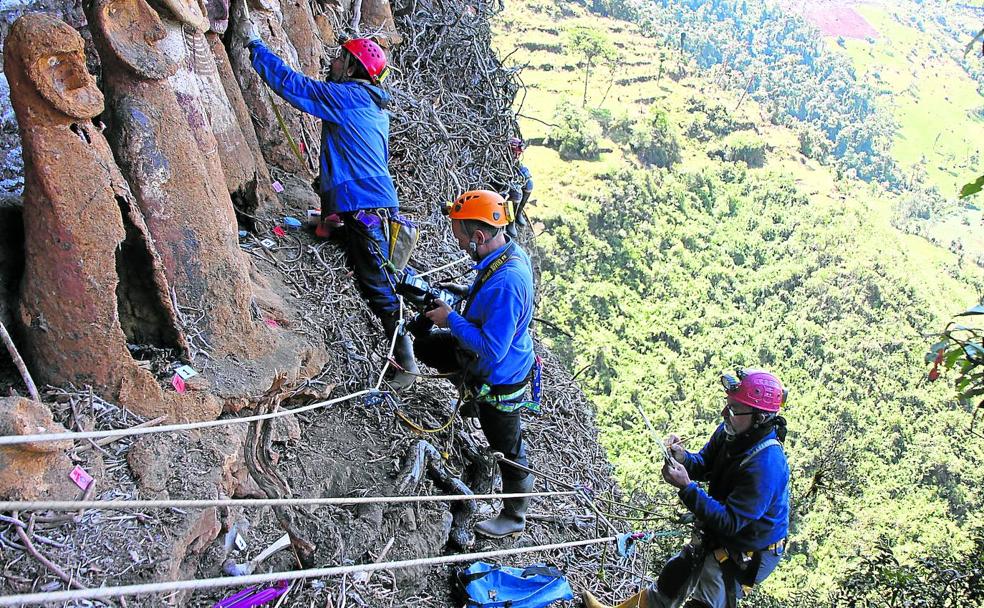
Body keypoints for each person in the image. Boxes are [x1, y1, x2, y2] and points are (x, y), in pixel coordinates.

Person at [245, 30, 418, 389]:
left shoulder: (348, 97)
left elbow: (296, 87)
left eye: (341, 58)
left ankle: (406, 361)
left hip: (365, 207)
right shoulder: (372, 105)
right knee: (371, 264)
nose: (333, 62)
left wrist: (256, 48)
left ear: (354, 67)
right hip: (371, 204)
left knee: (377, 285)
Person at [583, 369, 790, 608]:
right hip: (722, 531)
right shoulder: (731, 432)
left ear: (760, 418)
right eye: (727, 404)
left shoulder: (767, 466)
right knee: (673, 578)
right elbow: (703, 464)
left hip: (746, 549)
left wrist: (687, 487)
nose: (725, 413)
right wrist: (682, 458)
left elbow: (730, 522)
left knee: (705, 600)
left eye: (734, 409)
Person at [407, 189, 538, 538]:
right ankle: (469, 397)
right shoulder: (506, 254)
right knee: (426, 347)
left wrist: (451, 318)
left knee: (507, 448)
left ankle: (514, 517)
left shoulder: (509, 281)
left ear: (479, 237)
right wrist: (465, 293)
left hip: (499, 376)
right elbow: (490, 301)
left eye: (462, 239)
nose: (461, 245)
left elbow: (492, 348)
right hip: (483, 360)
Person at [504, 137, 533, 239]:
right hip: (504, 174)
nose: (517, 156)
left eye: (519, 154)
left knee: (529, 184)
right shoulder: (502, 158)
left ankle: (518, 212)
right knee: (517, 194)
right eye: (515, 153)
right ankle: (510, 221)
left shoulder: (516, 161)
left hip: (514, 170)